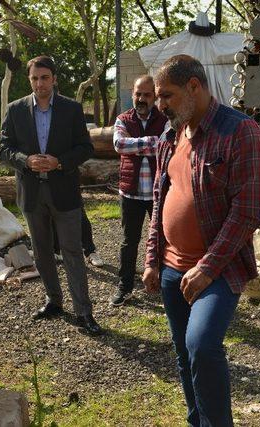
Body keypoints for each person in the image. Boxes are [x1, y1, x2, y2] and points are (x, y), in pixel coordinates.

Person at [142, 55, 260, 426]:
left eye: (167, 95)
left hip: (217, 269)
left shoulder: (240, 132)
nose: (159, 104)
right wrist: (151, 259)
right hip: (170, 268)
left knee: (202, 346)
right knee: (184, 354)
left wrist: (206, 268)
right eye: (158, 97)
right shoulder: (171, 135)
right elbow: (159, 199)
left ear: (194, 87)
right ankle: (198, 421)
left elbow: (247, 213)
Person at [0, 55, 101, 335]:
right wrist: (25, 160)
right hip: (32, 193)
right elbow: (4, 149)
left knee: (72, 252)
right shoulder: (16, 110)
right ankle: (54, 301)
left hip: (63, 191)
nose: (39, 83)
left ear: (54, 79)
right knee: (42, 253)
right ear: (29, 79)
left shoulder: (71, 109)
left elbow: (85, 148)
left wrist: (60, 161)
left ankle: (84, 312)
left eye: (44, 78)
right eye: (34, 78)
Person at [110, 75, 167, 306]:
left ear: (154, 96)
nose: (141, 99)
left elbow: (167, 145)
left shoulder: (165, 119)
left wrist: (136, 144)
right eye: (138, 94)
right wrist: (151, 143)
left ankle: (163, 284)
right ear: (132, 94)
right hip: (131, 193)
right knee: (129, 241)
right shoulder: (123, 119)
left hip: (158, 192)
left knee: (164, 240)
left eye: (146, 94)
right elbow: (119, 145)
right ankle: (124, 285)